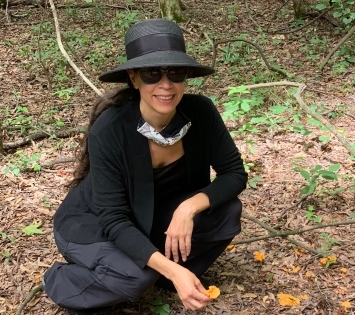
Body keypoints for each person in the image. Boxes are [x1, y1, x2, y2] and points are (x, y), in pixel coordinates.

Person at [41, 19, 247, 315]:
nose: (166, 84)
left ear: (186, 77)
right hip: (90, 224)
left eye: (175, 72)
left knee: (227, 212)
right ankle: (61, 281)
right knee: (136, 277)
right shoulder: (111, 130)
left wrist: (187, 208)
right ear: (134, 78)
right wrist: (174, 270)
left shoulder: (200, 113)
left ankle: (165, 276)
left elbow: (234, 174)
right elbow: (114, 219)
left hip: (147, 215)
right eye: (152, 74)